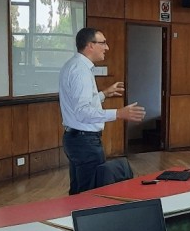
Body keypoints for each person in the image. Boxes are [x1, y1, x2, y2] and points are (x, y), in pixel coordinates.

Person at [58, 27, 144, 194]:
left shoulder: (74, 65)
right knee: (91, 194)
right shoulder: (80, 71)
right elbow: (82, 112)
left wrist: (104, 94)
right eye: (103, 43)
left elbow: (82, 103)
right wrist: (118, 113)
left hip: (77, 139)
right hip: (85, 142)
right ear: (90, 45)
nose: (107, 47)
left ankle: (74, 219)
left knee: (79, 192)